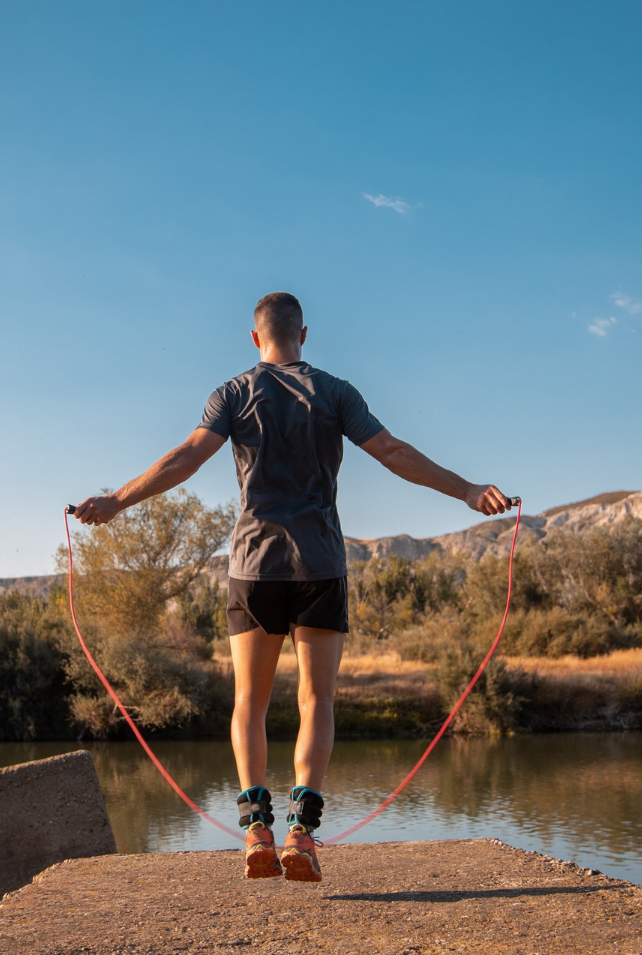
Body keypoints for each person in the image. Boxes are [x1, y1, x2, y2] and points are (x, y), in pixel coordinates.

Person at [71, 292, 512, 882]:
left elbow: (184, 459)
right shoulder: (335, 392)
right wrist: (464, 490)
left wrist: (116, 500)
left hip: (253, 568)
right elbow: (394, 452)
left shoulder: (232, 392)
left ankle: (256, 828)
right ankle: (301, 834)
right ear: (304, 333)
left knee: (249, 704)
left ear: (255, 338)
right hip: (320, 567)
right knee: (316, 701)